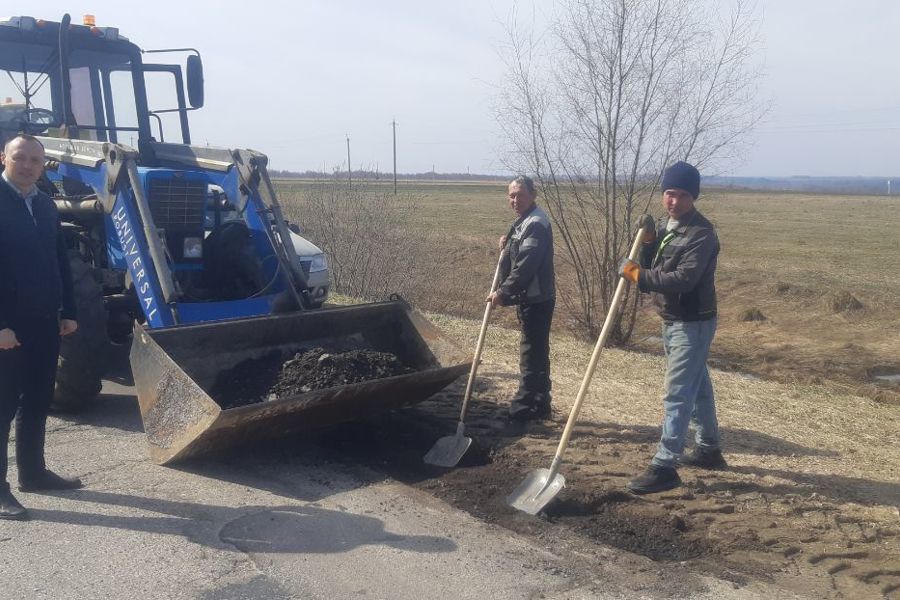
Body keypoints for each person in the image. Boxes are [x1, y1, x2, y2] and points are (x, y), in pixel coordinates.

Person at [619, 161, 725, 494]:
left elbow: (683, 279)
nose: (673, 201)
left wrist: (638, 276)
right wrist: (649, 240)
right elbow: (655, 262)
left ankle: (665, 465)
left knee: (677, 393)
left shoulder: (701, 234)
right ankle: (708, 448)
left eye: (680, 195)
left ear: (693, 196)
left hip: (692, 323)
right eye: (668, 194)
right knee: (698, 387)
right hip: (675, 320)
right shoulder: (671, 227)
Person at [0, 134, 82, 521]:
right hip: (7, 328)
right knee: (2, 408)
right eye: (21, 157)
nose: (29, 165)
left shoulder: (46, 205)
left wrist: (69, 310)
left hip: (45, 321)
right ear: (5, 158)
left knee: (36, 400)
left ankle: (32, 473)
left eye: (36, 159)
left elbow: (59, 261)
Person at [487, 175, 556, 421]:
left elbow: (526, 266)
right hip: (533, 298)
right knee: (537, 351)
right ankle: (541, 403)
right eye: (511, 195)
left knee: (531, 353)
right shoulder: (523, 222)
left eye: (520, 195)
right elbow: (518, 254)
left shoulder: (535, 223)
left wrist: (503, 293)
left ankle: (524, 406)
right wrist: (507, 245)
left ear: (533, 195)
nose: (515, 200)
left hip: (537, 299)